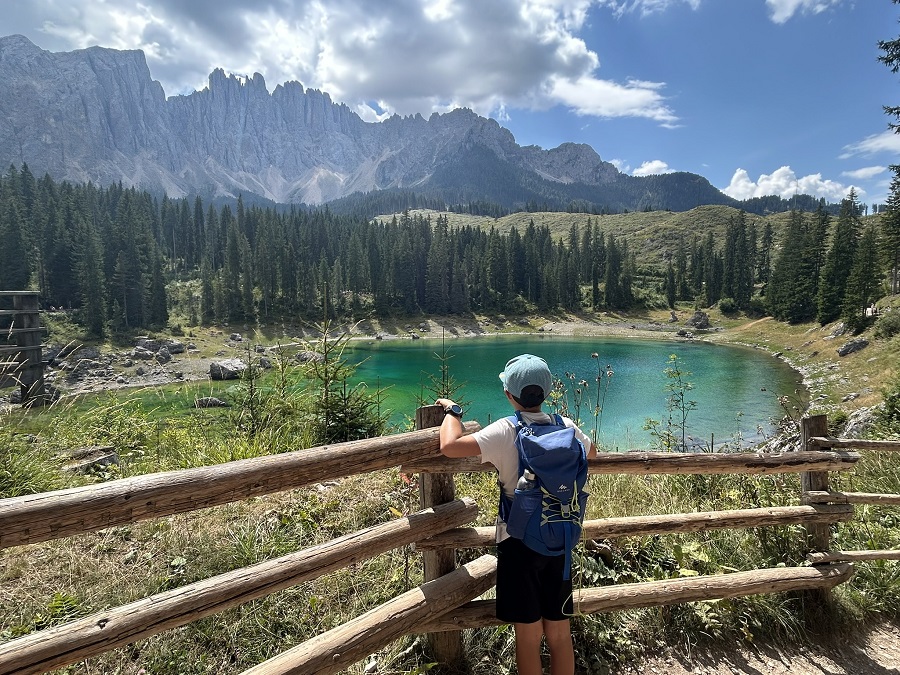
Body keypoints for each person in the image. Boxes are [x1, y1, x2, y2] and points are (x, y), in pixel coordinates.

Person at [436, 353, 596, 675]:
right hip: (560, 539)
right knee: (559, 633)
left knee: (528, 635)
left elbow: (450, 446)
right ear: (548, 392)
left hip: (518, 542)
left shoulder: (506, 430)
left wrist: (453, 411)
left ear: (508, 394)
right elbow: (592, 452)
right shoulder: (566, 426)